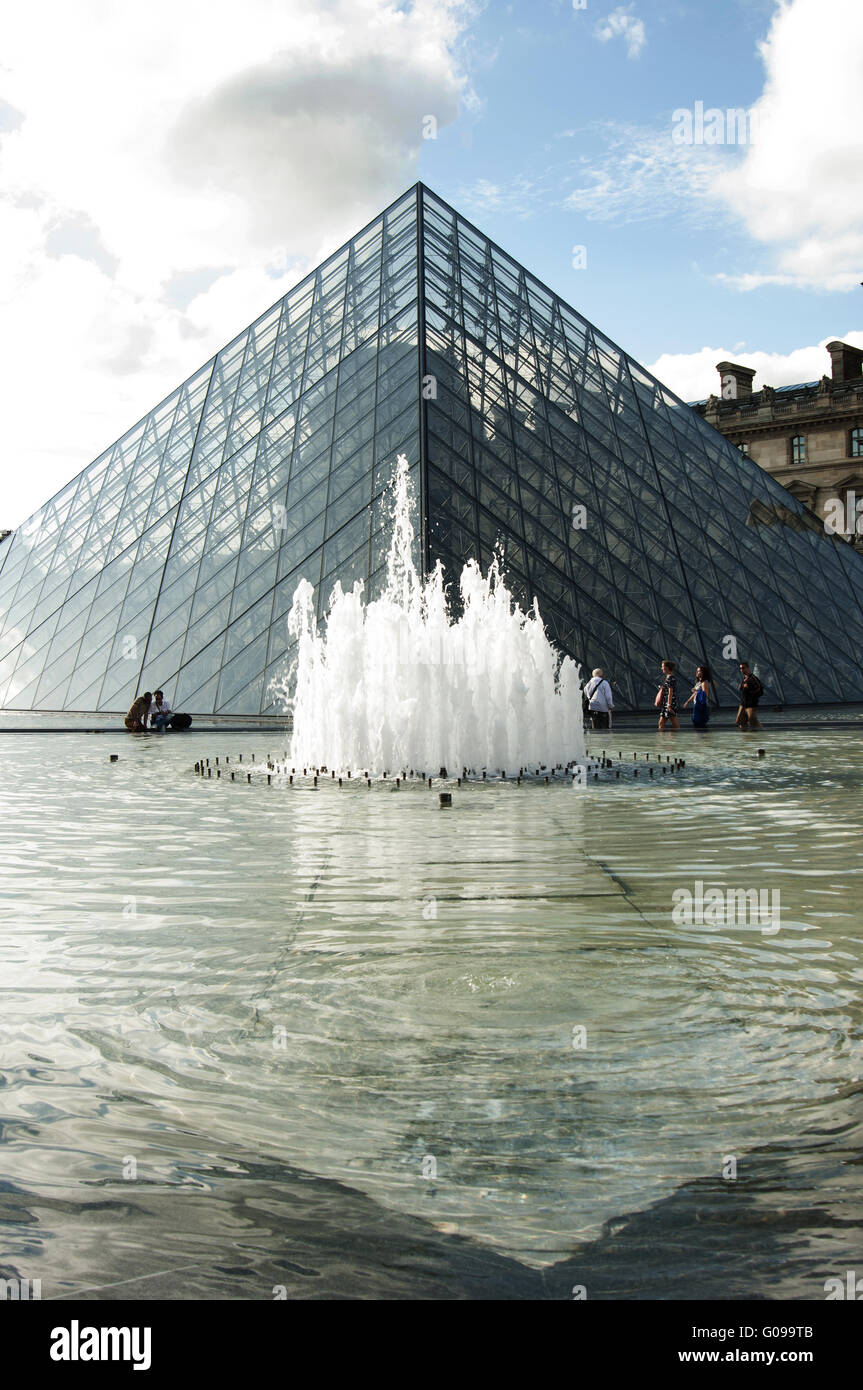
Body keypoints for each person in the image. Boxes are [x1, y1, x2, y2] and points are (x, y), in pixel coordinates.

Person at [736, 661, 764, 729]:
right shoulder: (744, 679)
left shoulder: (753, 678)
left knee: (753, 721)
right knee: (739, 721)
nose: (742, 670)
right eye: (740, 668)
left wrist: (749, 688)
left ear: (748, 668)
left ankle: (762, 732)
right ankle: (746, 736)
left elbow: (760, 689)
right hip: (743, 703)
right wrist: (742, 687)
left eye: (743, 668)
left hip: (751, 703)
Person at [683, 664, 712, 728]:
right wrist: (688, 701)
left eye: (699, 671)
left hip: (701, 706)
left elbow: (705, 694)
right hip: (697, 704)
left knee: (699, 723)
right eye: (697, 671)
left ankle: (704, 736)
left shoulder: (704, 682)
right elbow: (695, 693)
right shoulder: (699, 682)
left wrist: (696, 691)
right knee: (697, 722)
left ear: (703, 673)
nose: (697, 672)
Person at [655, 660, 680, 730]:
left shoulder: (671, 678)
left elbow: (670, 692)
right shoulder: (669, 677)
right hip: (667, 703)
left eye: (662, 666)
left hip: (669, 703)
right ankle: (667, 738)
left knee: (673, 722)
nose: (661, 668)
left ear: (667, 668)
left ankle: (675, 738)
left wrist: (669, 705)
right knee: (662, 723)